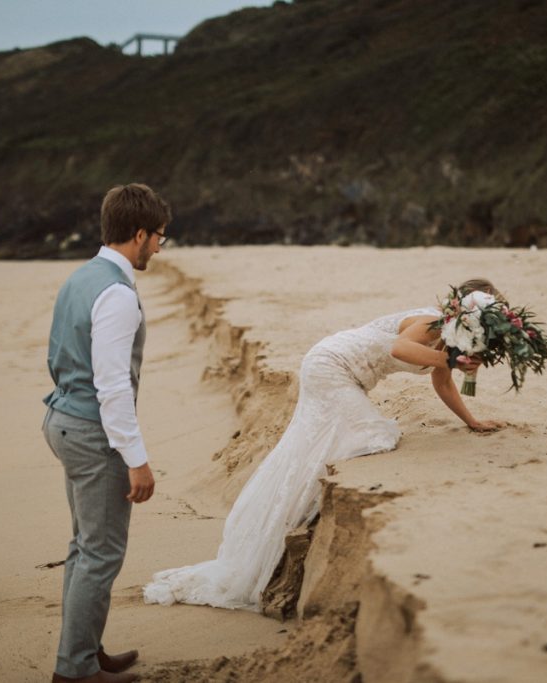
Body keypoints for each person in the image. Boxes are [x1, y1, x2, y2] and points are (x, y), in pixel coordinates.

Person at [144, 278, 506, 612]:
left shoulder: (452, 340)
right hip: (331, 364)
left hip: (346, 375)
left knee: (325, 444)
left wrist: (471, 420)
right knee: (374, 435)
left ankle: (294, 510)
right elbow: (400, 347)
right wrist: (451, 357)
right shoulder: (431, 322)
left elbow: (442, 383)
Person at [42, 183, 171, 683]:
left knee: (84, 546)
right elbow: (113, 385)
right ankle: (74, 671)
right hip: (93, 432)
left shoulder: (81, 277)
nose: (160, 247)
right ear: (139, 234)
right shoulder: (116, 294)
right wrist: (136, 459)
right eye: (159, 237)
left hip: (63, 421)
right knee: (100, 553)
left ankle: (86, 649)